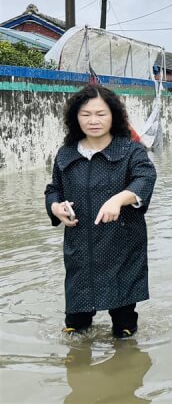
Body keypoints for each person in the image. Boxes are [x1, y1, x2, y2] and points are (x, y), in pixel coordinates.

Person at [45, 85, 157, 338]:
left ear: (113, 116)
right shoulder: (66, 153)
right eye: (86, 114)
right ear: (76, 117)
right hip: (79, 246)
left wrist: (119, 199)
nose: (93, 120)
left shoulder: (131, 151)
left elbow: (145, 178)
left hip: (122, 244)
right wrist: (56, 207)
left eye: (100, 113)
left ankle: (126, 369)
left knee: (124, 328)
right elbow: (53, 189)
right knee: (75, 327)